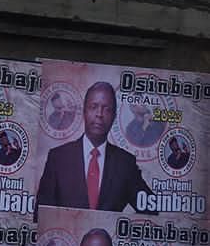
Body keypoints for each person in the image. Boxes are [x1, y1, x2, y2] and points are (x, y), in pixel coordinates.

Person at [36, 82, 151, 212]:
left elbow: (151, 209)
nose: (99, 114)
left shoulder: (125, 163)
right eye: (93, 106)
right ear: (84, 111)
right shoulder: (58, 158)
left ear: (113, 117)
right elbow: (40, 216)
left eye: (107, 109)